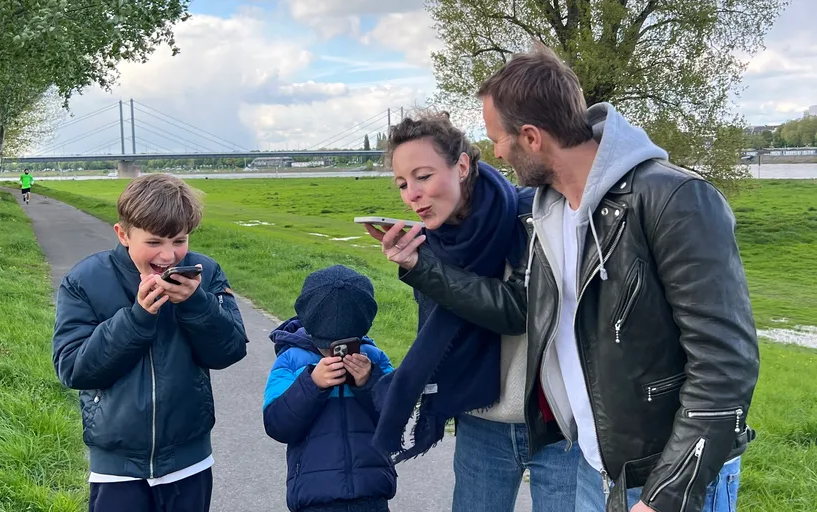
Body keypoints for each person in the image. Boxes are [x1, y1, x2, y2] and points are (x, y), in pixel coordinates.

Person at [373, 44, 759, 512]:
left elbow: (724, 366)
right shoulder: (549, 211)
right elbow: (522, 309)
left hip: (668, 478)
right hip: (600, 465)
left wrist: (666, 495)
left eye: (498, 139)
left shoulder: (676, 197)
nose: (495, 153)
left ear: (531, 138)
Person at [363, 114, 579, 512]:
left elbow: (519, 310)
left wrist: (424, 269)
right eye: (402, 184)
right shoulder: (435, 241)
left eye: (423, 176)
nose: (412, 195)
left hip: (557, 425)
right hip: (481, 421)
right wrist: (419, 264)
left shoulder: (532, 216)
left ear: (461, 166)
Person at [52, 173, 249, 512]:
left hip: (189, 459)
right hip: (117, 466)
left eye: (179, 240)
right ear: (123, 234)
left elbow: (229, 351)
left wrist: (196, 303)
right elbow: (74, 369)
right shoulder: (85, 280)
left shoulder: (205, 273)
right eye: (155, 242)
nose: (169, 255)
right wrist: (137, 318)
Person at [262, 264, 396, 512]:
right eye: (326, 345)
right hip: (315, 498)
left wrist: (369, 383)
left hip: (372, 494)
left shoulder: (374, 359)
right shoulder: (291, 360)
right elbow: (277, 425)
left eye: (344, 345)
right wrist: (312, 385)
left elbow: (397, 419)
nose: (333, 354)